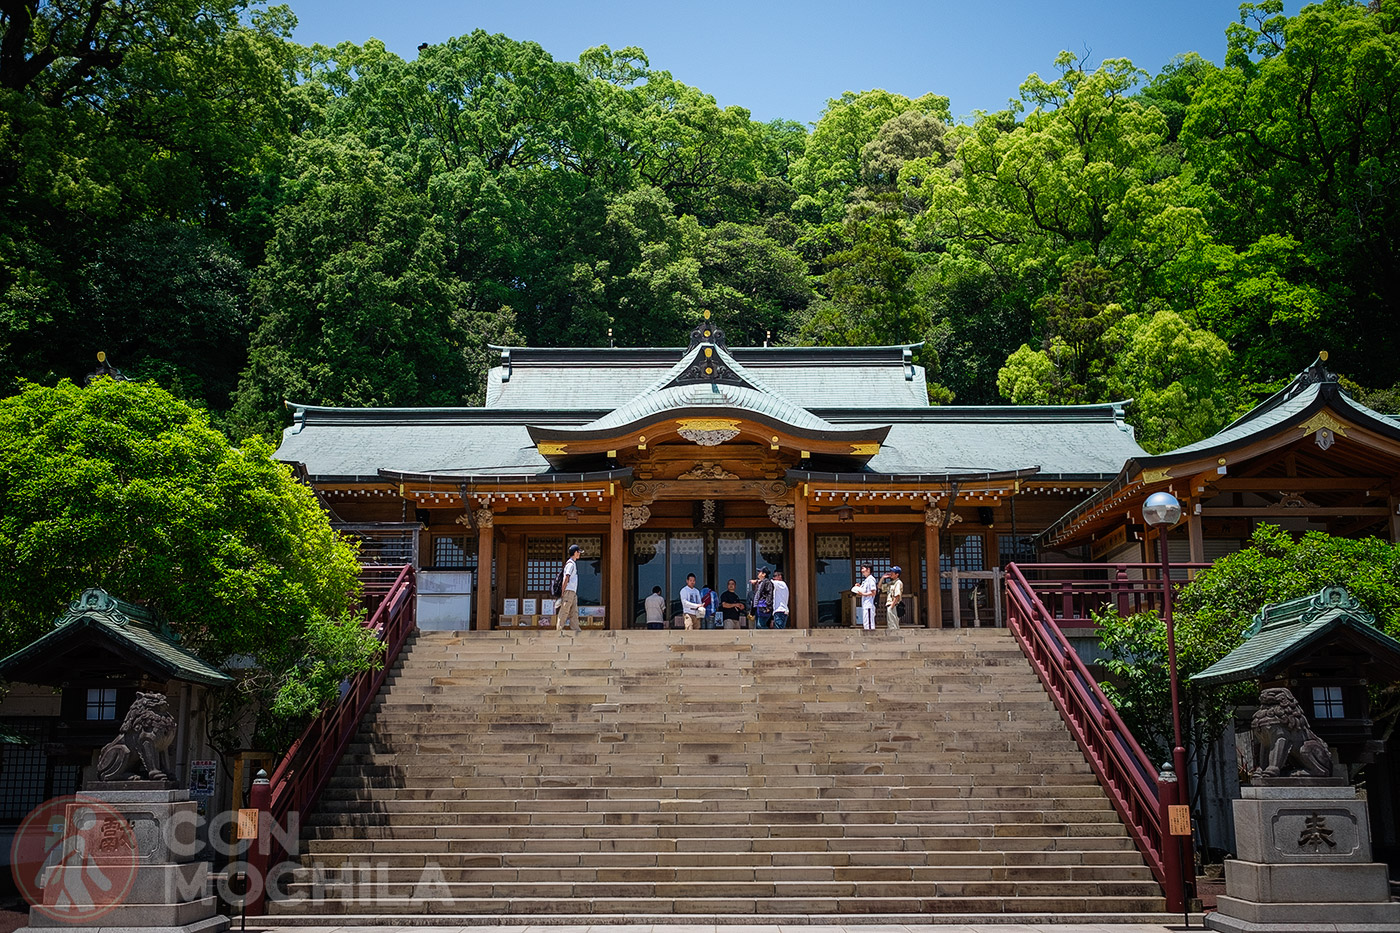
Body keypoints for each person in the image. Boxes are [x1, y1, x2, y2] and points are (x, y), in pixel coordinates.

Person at [555, 544, 582, 634]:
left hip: (573, 592)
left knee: (574, 611)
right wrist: (563, 592)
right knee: (564, 610)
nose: (579, 554)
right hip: (568, 591)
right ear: (575, 553)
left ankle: (576, 629)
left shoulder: (572, 563)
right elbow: (566, 578)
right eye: (578, 552)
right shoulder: (570, 564)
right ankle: (559, 630)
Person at [851, 563, 877, 630]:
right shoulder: (866, 580)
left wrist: (863, 594)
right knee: (866, 623)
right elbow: (865, 590)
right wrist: (859, 587)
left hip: (869, 604)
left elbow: (873, 592)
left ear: (868, 569)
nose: (861, 571)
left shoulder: (871, 579)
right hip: (865, 604)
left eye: (863, 568)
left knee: (869, 624)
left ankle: (871, 638)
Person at [883, 565, 904, 631]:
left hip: (894, 605)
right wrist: (883, 578)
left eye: (893, 572)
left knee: (893, 624)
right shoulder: (891, 583)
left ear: (897, 574)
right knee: (890, 623)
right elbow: (880, 587)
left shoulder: (898, 583)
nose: (891, 573)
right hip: (890, 605)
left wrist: (892, 606)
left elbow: (897, 595)